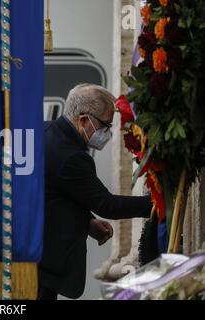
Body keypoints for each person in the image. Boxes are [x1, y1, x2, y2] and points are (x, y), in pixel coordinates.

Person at [39, 83, 152, 300]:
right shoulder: (71, 156)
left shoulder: (44, 132)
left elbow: (53, 194)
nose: (106, 133)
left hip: (30, 257)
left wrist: (87, 221)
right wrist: (156, 204)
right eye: (105, 125)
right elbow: (106, 204)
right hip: (46, 265)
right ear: (83, 119)